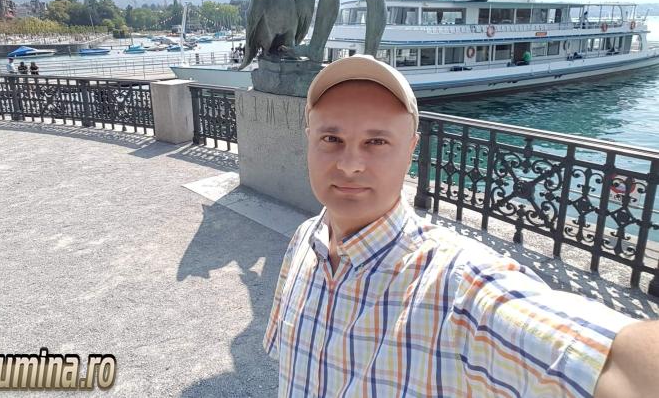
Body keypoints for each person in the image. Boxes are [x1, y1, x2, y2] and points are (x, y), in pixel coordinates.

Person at [264, 54, 659, 397]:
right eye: (331, 138)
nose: (350, 164)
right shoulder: (306, 240)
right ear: (308, 140)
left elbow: (606, 362)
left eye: (376, 142)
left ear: (411, 150)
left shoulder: (457, 285)